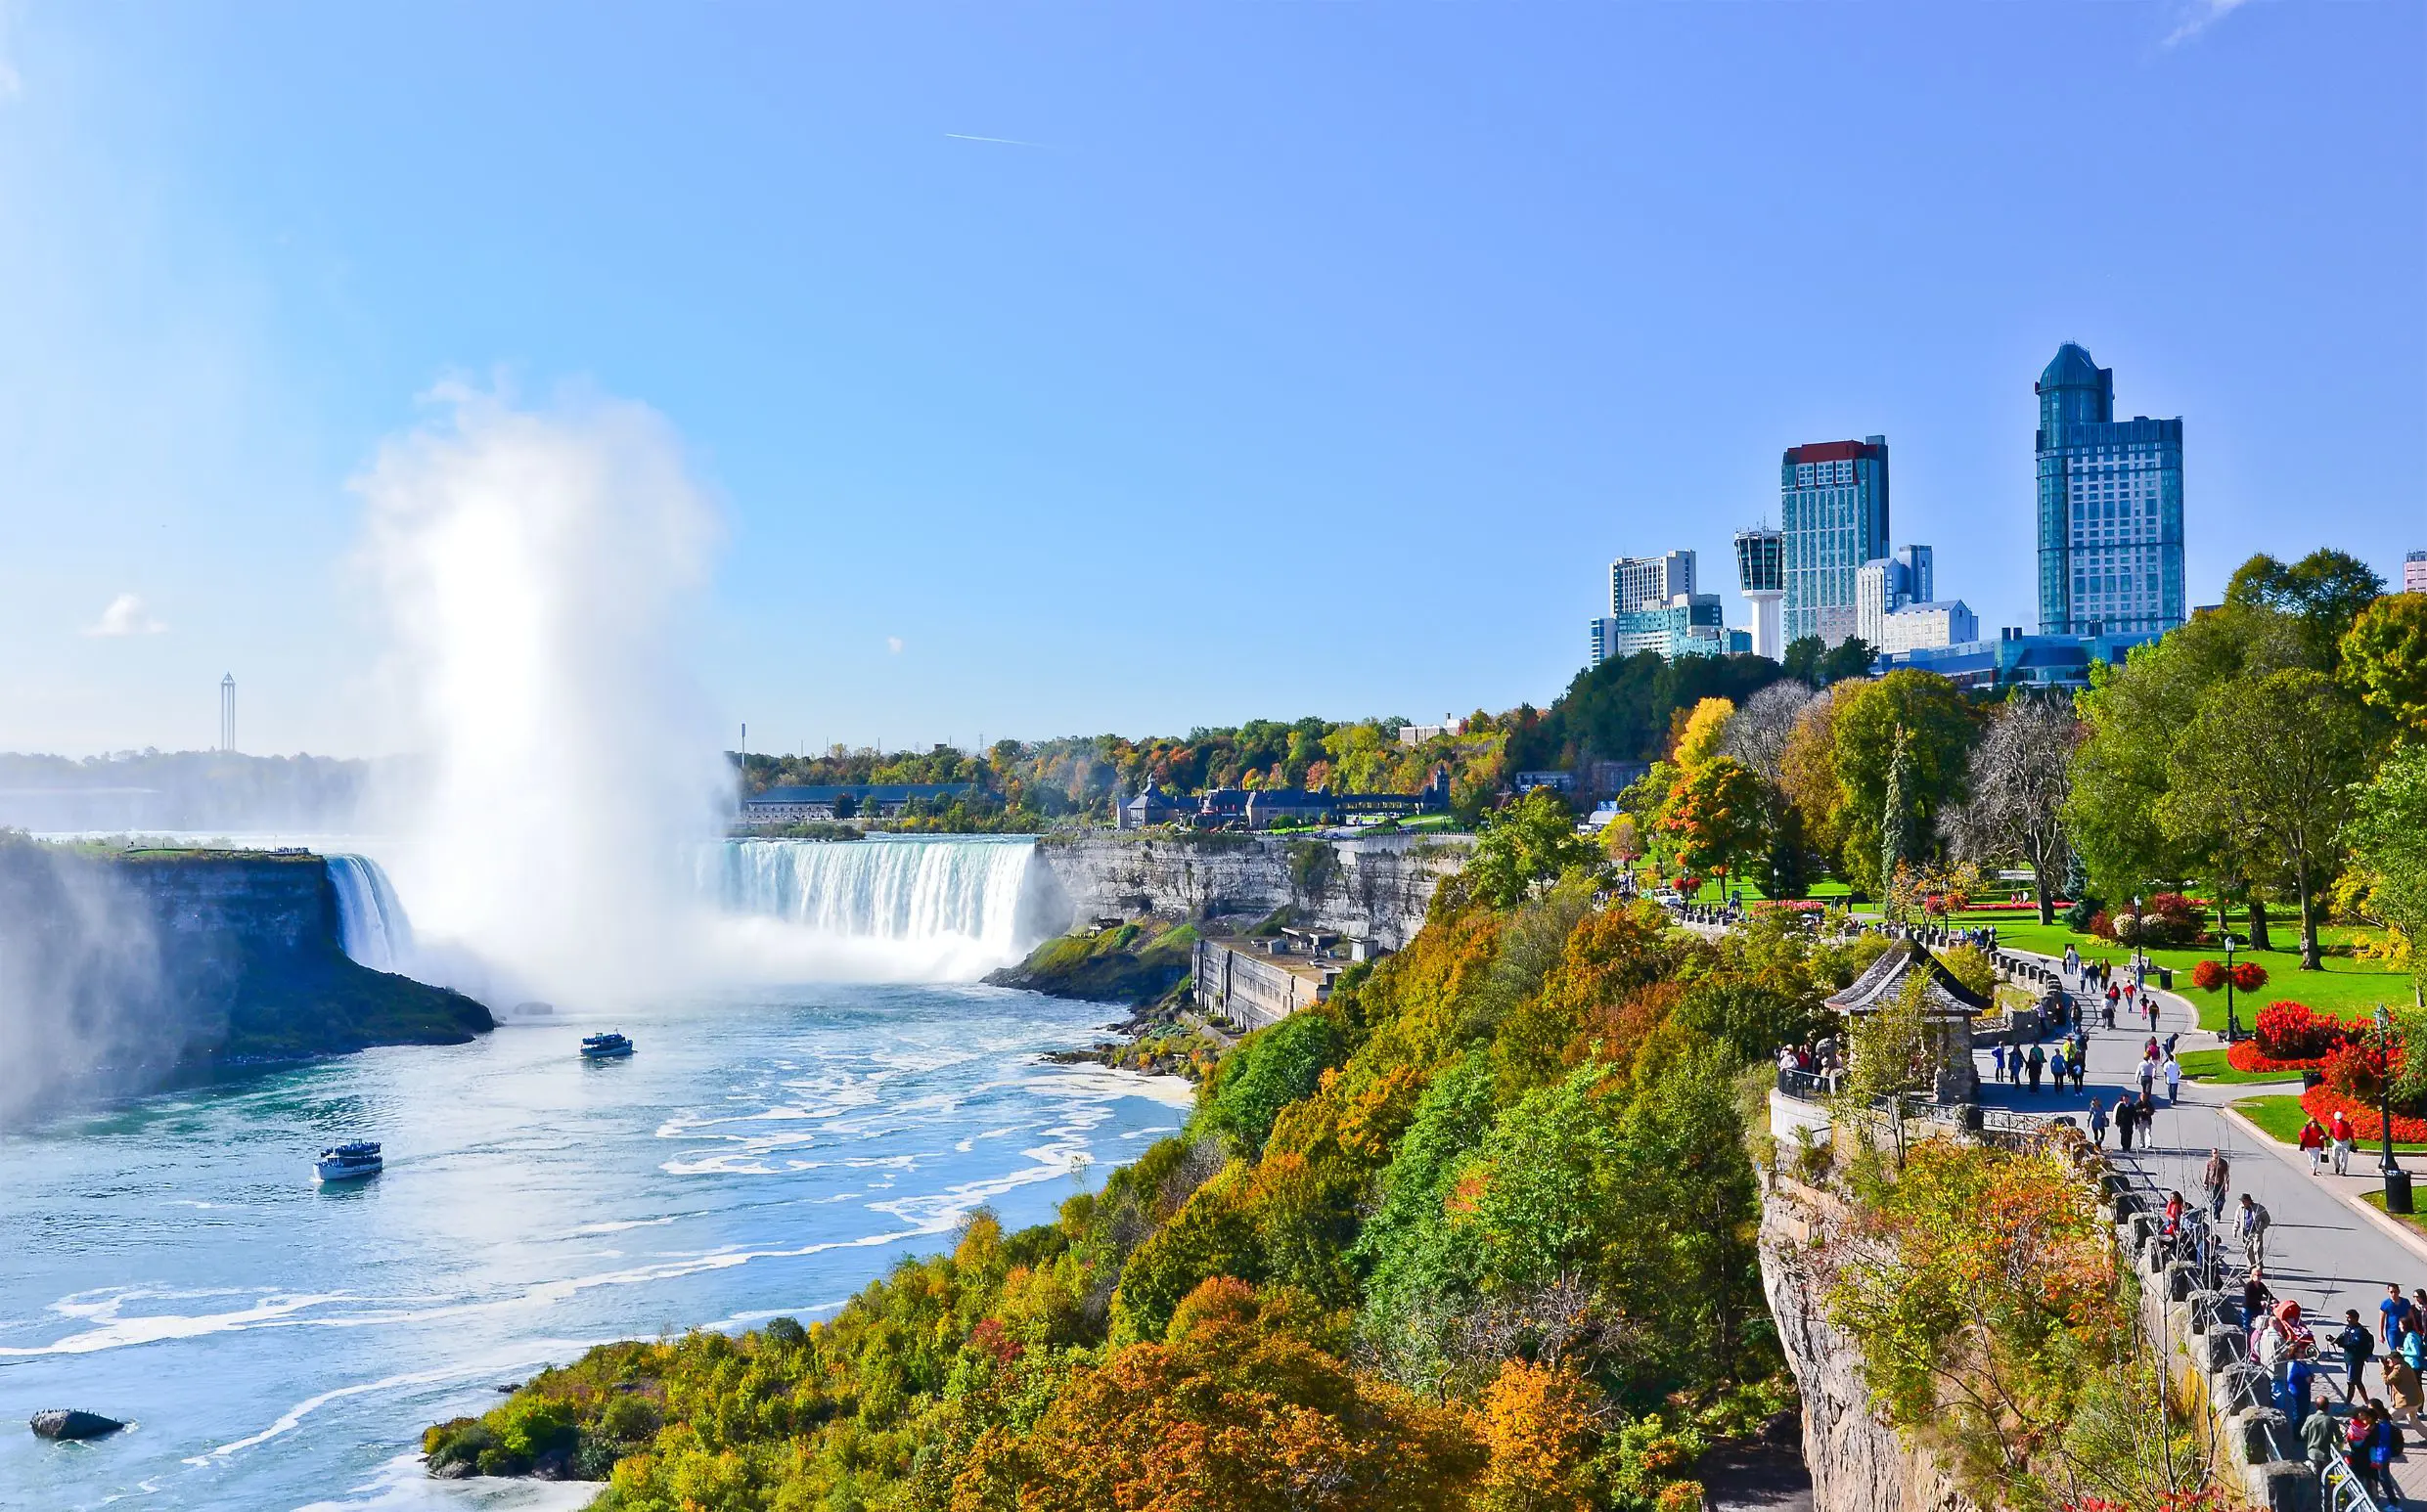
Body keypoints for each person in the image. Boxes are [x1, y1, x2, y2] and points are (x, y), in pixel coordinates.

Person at [2339, 1309, 2380, 1405]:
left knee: (2351, 1382)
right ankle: (2367, 1402)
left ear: (2355, 1318)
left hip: (2356, 1360)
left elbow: (2354, 1346)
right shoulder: (2348, 1328)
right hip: (2348, 1359)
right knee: (2357, 1381)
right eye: (2346, 1318)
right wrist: (2335, 1340)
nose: (2347, 1320)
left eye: (2349, 1318)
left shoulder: (2360, 1331)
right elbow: (2344, 1338)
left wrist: (2342, 1345)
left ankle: (2347, 1404)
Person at [2236, 1194, 2272, 1269]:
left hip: (2256, 1232)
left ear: (2249, 1201)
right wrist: (2235, 1230)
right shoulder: (2240, 1208)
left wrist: (2262, 1228)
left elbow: (2267, 1220)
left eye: (2244, 1201)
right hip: (2246, 1233)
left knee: (2257, 1250)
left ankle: (2259, 1267)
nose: (2242, 1203)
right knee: (2248, 1251)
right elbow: (2237, 1219)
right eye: (2242, 1201)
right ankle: (2252, 1267)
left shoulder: (2259, 1208)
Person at [2382, 1283, 2415, 1349]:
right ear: (2388, 1292)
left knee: (2406, 1349)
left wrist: (2414, 1327)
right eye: (2391, 1292)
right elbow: (2382, 1319)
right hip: (2392, 1331)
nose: (2393, 1294)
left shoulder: (2405, 1302)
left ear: (2399, 1291)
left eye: (2395, 1292)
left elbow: (2411, 1316)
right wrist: (2381, 1334)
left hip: (2405, 1330)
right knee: (2394, 1351)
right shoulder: (2385, 1304)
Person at [2203, 1148, 2231, 1219]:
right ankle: (2216, 1216)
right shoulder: (2209, 1163)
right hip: (2212, 1183)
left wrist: (2227, 1184)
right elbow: (2207, 1173)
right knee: (2214, 1200)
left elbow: (2226, 1174)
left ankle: (2217, 1211)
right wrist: (2205, 1182)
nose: (2216, 1154)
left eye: (2217, 1153)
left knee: (2222, 1201)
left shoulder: (2224, 1163)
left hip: (2221, 1184)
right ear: (2212, 1154)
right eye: (2214, 1153)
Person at [2333, 1107, 2359, 1176]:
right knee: (2334, 1156)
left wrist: (2353, 1142)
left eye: (2340, 1119)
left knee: (2345, 1156)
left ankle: (2343, 1171)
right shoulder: (2333, 1124)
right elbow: (2330, 1132)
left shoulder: (2346, 1124)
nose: (2339, 1121)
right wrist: (2326, 1137)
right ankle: (2337, 1166)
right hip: (2336, 1141)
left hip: (2345, 1142)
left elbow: (2350, 1134)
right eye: (2338, 1120)